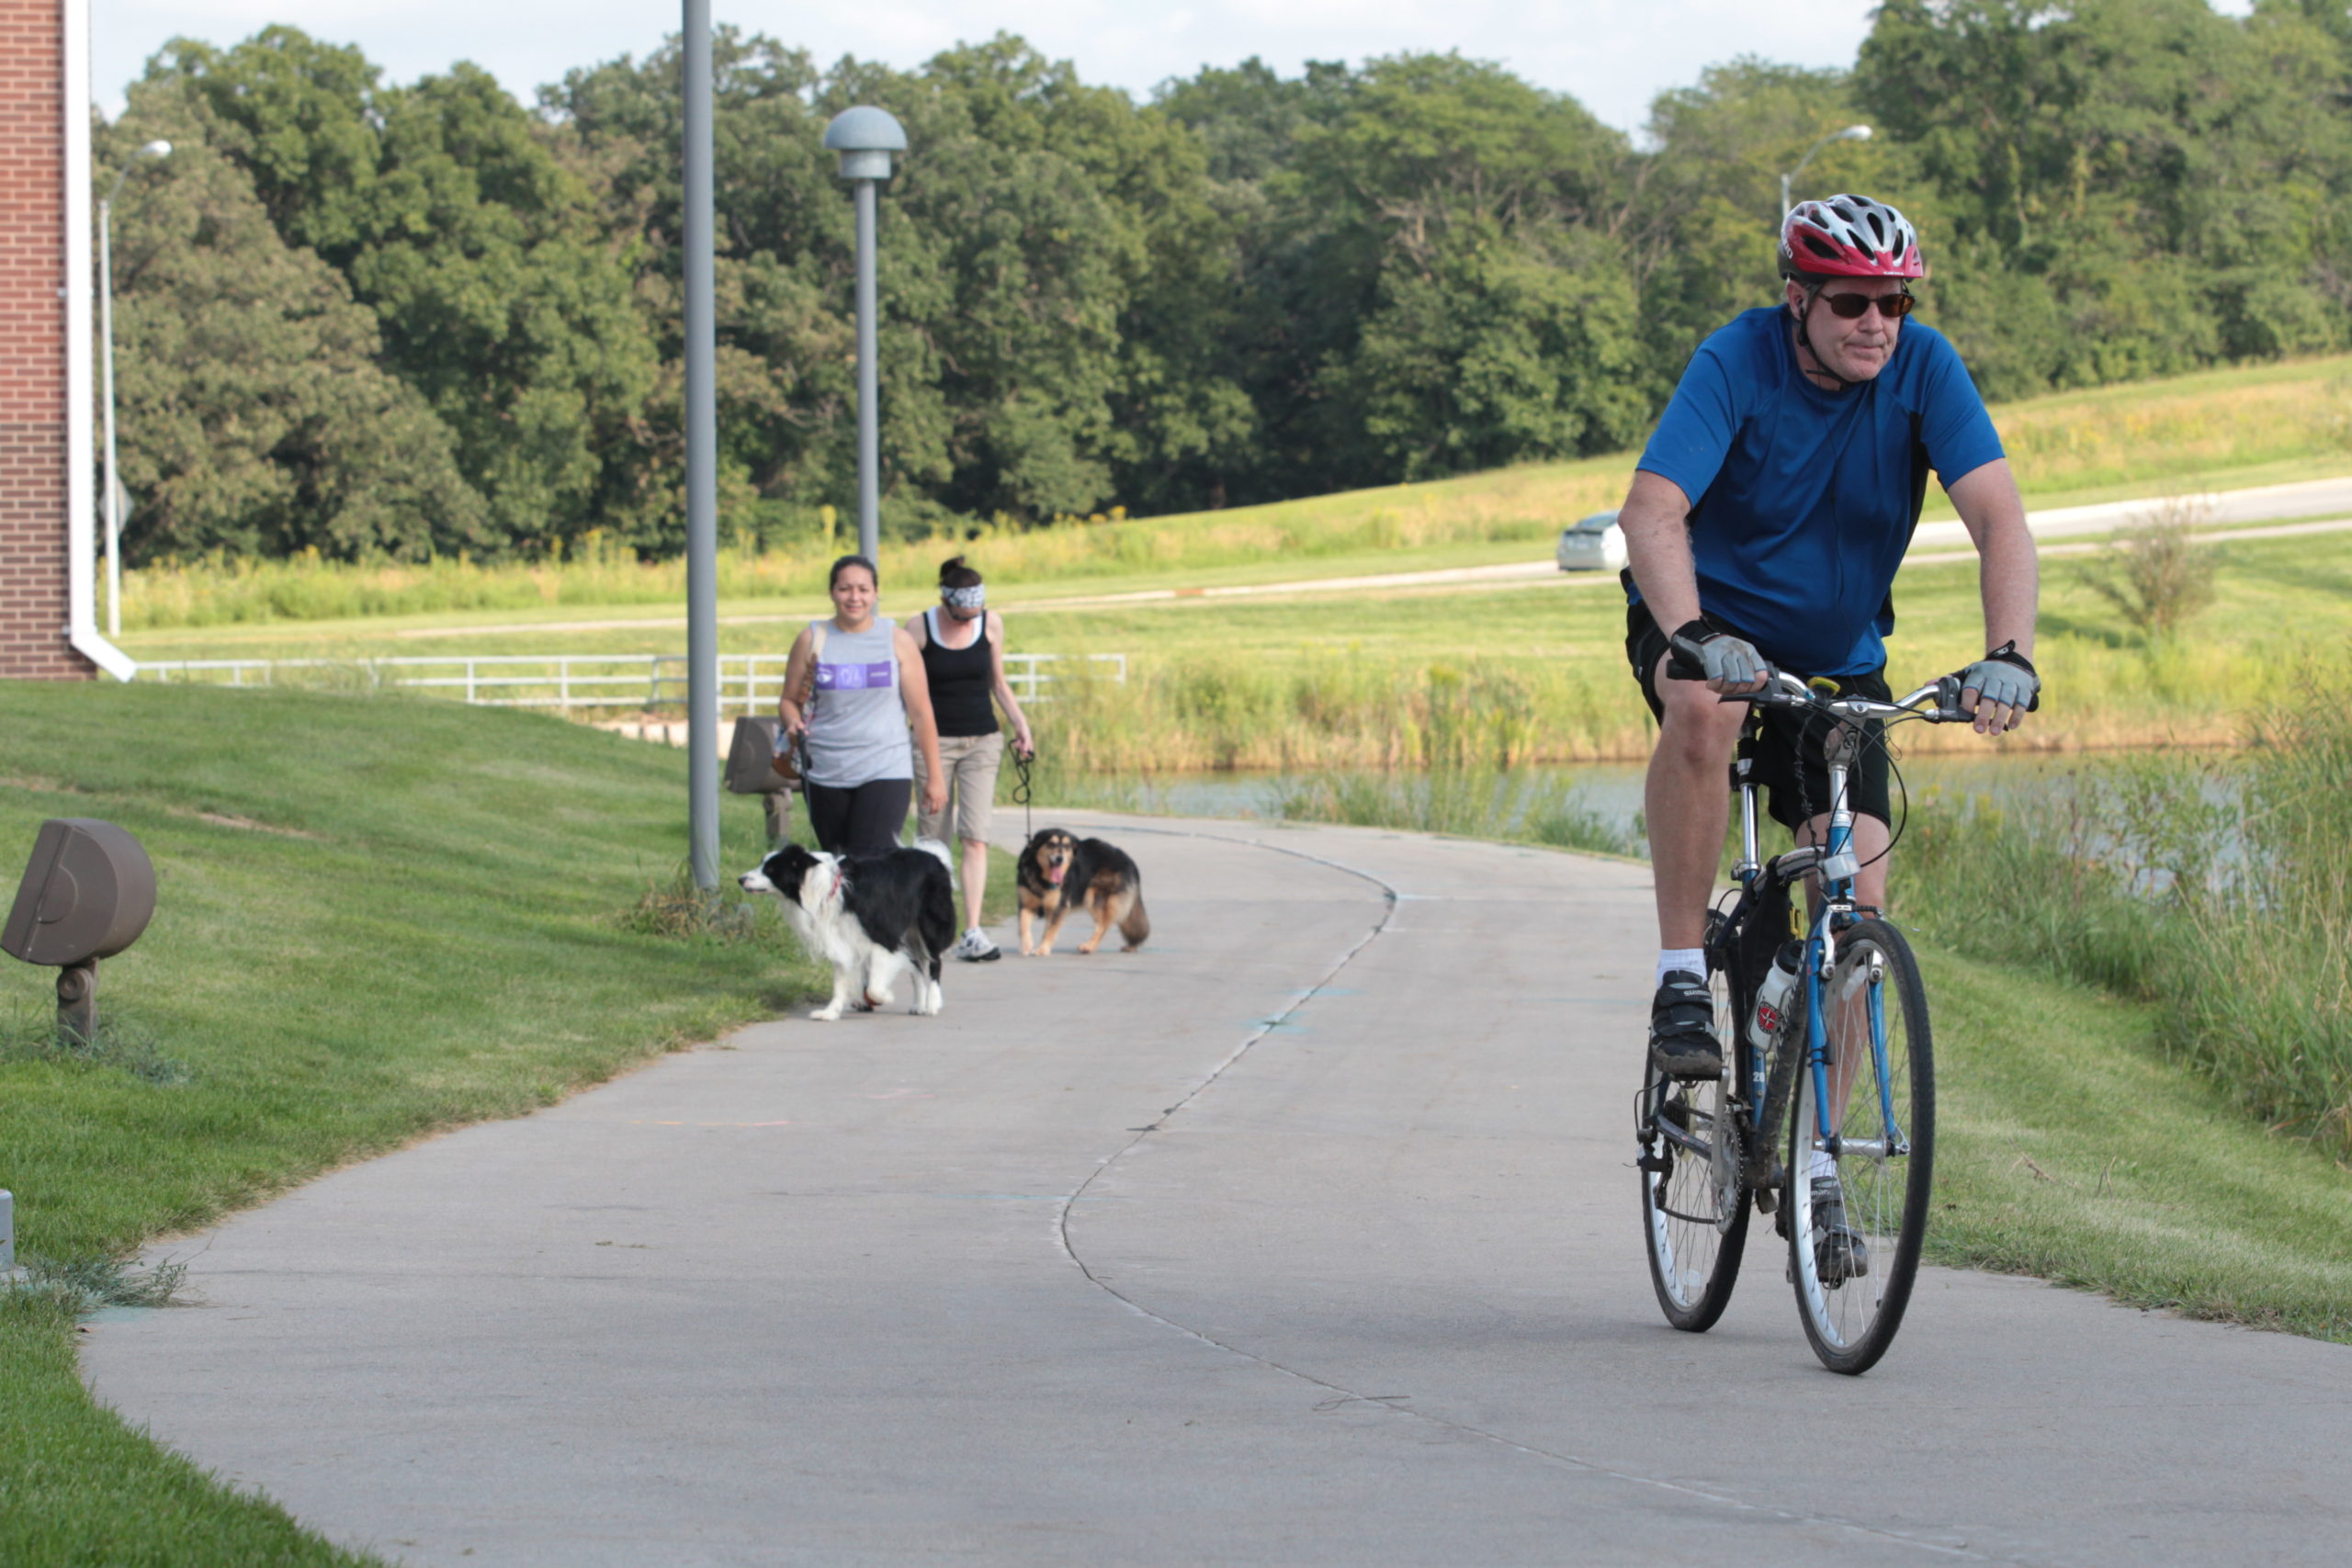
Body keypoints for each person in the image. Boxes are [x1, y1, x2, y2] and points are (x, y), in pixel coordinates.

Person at [1620, 193, 2041, 1087]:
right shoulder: (1736, 358)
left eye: (1893, 303)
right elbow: (1652, 510)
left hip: (1837, 657)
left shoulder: (1925, 369)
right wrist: (1692, 632)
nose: (1876, 323)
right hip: (1710, 621)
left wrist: (2008, 650)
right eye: (1851, 301)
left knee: (1860, 912)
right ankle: (1680, 979)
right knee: (1700, 706)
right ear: (1797, 298)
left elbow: (2000, 520)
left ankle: (1825, 1167)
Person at [904, 556, 1036, 962]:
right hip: (933, 744)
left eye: (974, 614)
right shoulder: (918, 627)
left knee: (975, 836)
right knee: (933, 841)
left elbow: (997, 681)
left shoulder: (991, 623)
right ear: (945, 601)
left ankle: (973, 931)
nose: (968, 621)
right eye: (961, 615)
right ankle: (930, 926)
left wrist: (1020, 724)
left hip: (983, 740)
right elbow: (907, 688)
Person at [779, 555, 947, 860]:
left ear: (875, 592)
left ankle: (883, 909)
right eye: (845, 589)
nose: (854, 597)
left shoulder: (897, 640)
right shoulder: (811, 639)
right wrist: (793, 723)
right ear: (832, 592)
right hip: (825, 769)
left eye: (863, 589)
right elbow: (789, 700)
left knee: (872, 861)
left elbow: (921, 713)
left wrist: (935, 777)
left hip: (885, 766)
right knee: (838, 867)